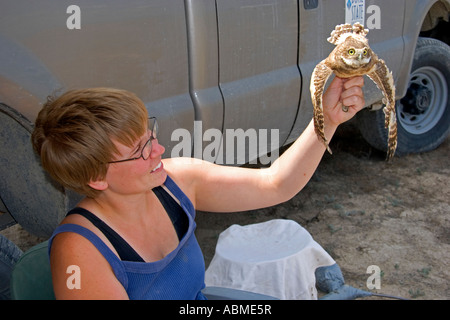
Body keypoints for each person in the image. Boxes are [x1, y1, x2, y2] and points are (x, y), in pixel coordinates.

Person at [31, 76, 365, 300]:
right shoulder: (79, 252)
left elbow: (275, 184)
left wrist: (327, 120)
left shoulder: (178, 182)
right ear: (97, 179)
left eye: (151, 135)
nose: (159, 151)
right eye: (141, 150)